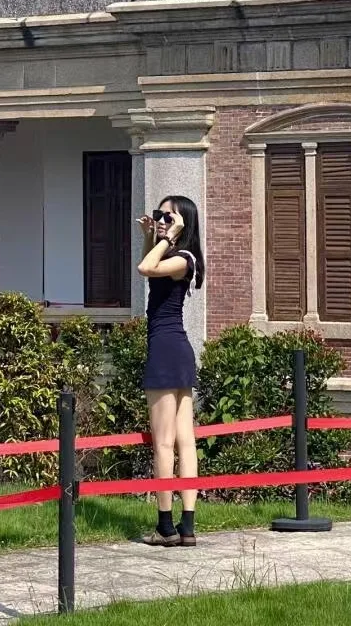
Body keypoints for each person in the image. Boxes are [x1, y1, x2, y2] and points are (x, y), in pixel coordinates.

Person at [136, 195, 204, 547]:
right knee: (184, 440)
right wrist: (153, 235)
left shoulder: (182, 258)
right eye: (160, 215)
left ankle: (167, 527)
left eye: (169, 217)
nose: (162, 220)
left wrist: (163, 239)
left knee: (166, 442)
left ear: (184, 224)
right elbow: (151, 269)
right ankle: (187, 527)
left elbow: (145, 269)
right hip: (177, 350)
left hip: (166, 350)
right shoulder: (177, 255)